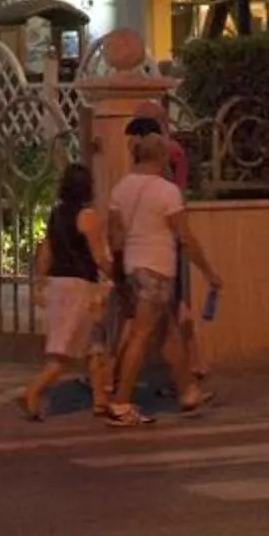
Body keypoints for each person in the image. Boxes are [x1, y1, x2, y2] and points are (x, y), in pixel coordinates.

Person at [105, 117, 219, 426]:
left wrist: (118, 270)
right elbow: (185, 237)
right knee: (142, 335)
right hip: (156, 269)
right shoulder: (167, 192)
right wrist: (208, 272)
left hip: (133, 267)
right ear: (162, 158)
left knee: (168, 332)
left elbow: (114, 233)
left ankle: (187, 391)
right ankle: (120, 402)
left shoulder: (121, 188)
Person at [18, 161, 112, 421]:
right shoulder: (87, 216)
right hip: (79, 286)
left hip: (58, 284)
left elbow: (46, 251)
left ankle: (100, 400)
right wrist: (115, 274)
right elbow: (98, 256)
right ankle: (32, 391)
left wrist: (39, 282)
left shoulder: (56, 215)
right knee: (66, 353)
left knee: (93, 343)